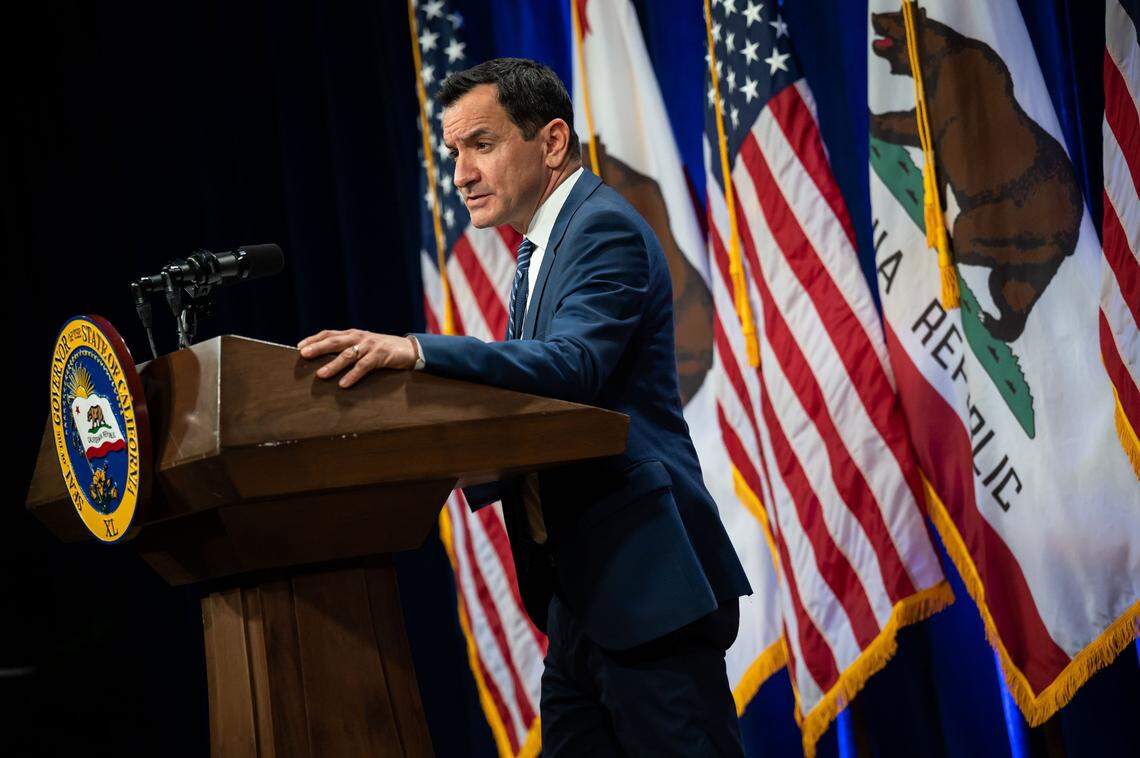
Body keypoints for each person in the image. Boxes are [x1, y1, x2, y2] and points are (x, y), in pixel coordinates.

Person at [298, 58, 750, 756]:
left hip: (647, 587)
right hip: (584, 595)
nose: (460, 175)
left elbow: (571, 367)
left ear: (552, 141)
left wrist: (418, 352)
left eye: (481, 145)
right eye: (454, 153)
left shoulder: (603, 230)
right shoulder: (543, 248)